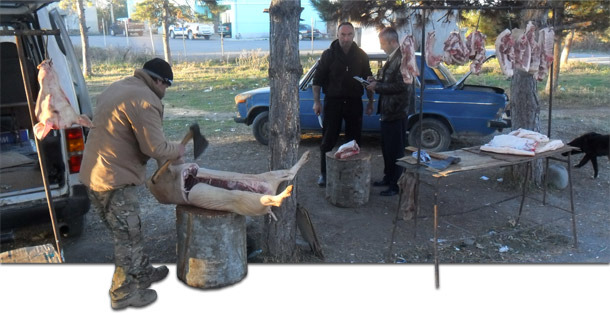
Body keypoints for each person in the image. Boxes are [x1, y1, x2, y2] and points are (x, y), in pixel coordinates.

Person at [79, 58, 185, 310]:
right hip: (112, 180)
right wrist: (177, 149)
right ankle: (123, 293)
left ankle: (141, 271)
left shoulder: (117, 87)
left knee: (128, 232)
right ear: (157, 80)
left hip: (93, 174)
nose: (165, 91)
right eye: (166, 85)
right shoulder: (145, 100)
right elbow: (154, 147)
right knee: (127, 237)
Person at [313, 21, 374, 187]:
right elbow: (317, 80)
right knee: (328, 139)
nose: (346, 38)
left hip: (354, 102)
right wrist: (317, 102)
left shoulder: (361, 55)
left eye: (349, 35)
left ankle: (353, 174)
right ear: (337, 35)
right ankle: (324, 174)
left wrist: (370, 102)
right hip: (333, 102)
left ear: (353, 36)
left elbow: (368, 80)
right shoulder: (328, 55)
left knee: (354, 140)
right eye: (343, 35)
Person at [366, 27, 415, 196]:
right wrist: (376, 80)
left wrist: (377, 86)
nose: (381, 47)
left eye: (382, 43)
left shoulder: (402, 59)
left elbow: (402, 85)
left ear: (393, 42)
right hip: (388, 111)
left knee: (396, 150)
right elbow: (390, 80)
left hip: (397, 111)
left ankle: (396, 184)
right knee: (387, 149)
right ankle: (388, 178)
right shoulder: (393, 57)